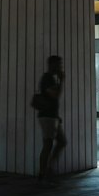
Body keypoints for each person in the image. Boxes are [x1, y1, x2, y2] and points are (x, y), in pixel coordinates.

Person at [35, 54, 67, 182]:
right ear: (52, 65)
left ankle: (48, 170)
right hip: (47, 117)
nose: (60, 67)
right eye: (59, 64)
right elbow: (55, 95)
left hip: (52, 116)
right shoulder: (48, 78)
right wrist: (61, 81)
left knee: (61, 141)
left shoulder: (51, 78)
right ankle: (43, 173)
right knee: (48, 144)